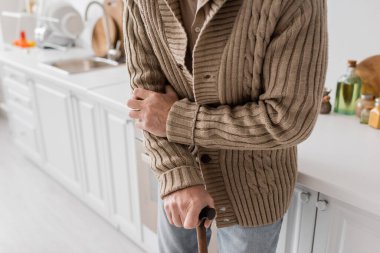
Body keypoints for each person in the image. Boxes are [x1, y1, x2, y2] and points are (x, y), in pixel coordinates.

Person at [124, 0, 327, 252]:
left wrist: (175, 119)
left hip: (254, 189)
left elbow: (287, 121)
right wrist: (176, 175)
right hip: (176, 174)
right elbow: (147, 104)